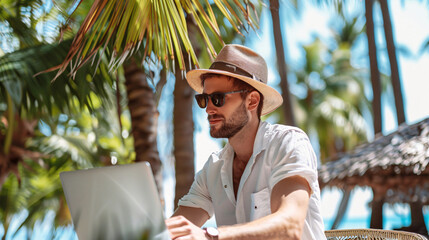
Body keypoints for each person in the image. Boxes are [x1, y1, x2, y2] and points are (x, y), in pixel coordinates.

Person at [166, 44, 325, 240]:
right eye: (203, 99)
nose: (208, 109)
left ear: (251, 101)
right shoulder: (213, 169)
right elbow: (175, 230)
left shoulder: (287, 143)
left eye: (217, 98)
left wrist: (211, 236)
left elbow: (290, 226)